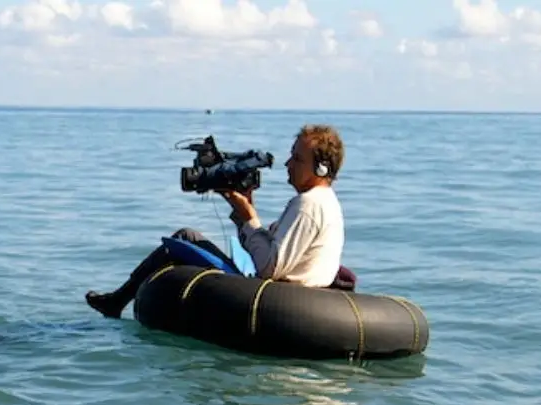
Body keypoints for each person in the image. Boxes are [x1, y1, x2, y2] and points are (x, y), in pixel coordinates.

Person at [85, 123, 355, 319]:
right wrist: (244, 214)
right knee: (190, 238)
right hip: (299, 294)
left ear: (321, 168)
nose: (288, 163)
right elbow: (273, 252)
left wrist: (249, 219)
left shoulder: (308, 204)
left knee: (184, 238)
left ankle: (117, 301)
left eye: (297, 158)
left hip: (283, 298)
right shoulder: (325, 201)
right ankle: (118, 301)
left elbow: (269, 268)